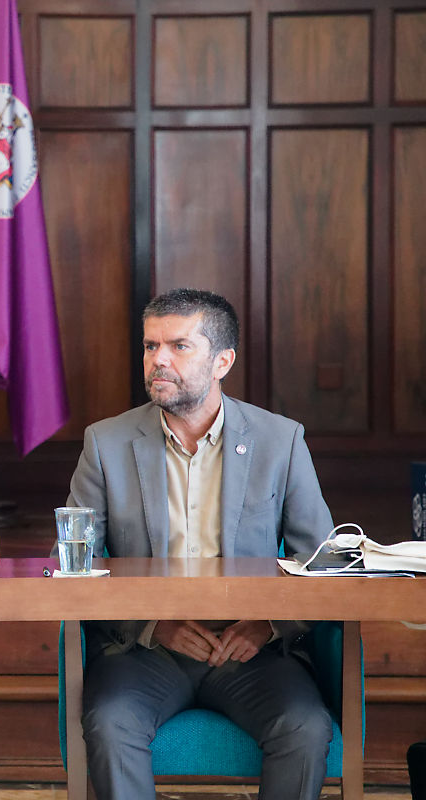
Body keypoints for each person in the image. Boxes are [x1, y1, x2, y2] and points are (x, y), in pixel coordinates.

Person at [67, 288, 335, 800]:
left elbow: (323, 561)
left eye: (179, 346)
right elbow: (77, 567)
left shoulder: (280, 441)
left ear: (222, 362)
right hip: (145, 650)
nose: (159, 360)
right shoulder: (105, 442)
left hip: (252, 649)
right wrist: (153, 627)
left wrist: (268, 625)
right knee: (110, 722)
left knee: (305, 727)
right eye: (150, 346)